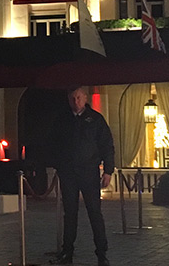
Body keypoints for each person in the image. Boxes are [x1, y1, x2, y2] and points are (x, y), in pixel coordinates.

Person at [51, 85, 114, 266]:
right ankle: (67, 252)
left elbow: (107, 145)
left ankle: (102, 253)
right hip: (68, 173)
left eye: (78, 98)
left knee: (95, 213)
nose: (75, 102)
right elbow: (53, 144)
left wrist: (108, 170)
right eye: (72, 98)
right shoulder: (62, 120)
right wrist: (59, 166)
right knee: (70, 214)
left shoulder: (95, 120)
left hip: (89, 173)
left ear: (85, 98)